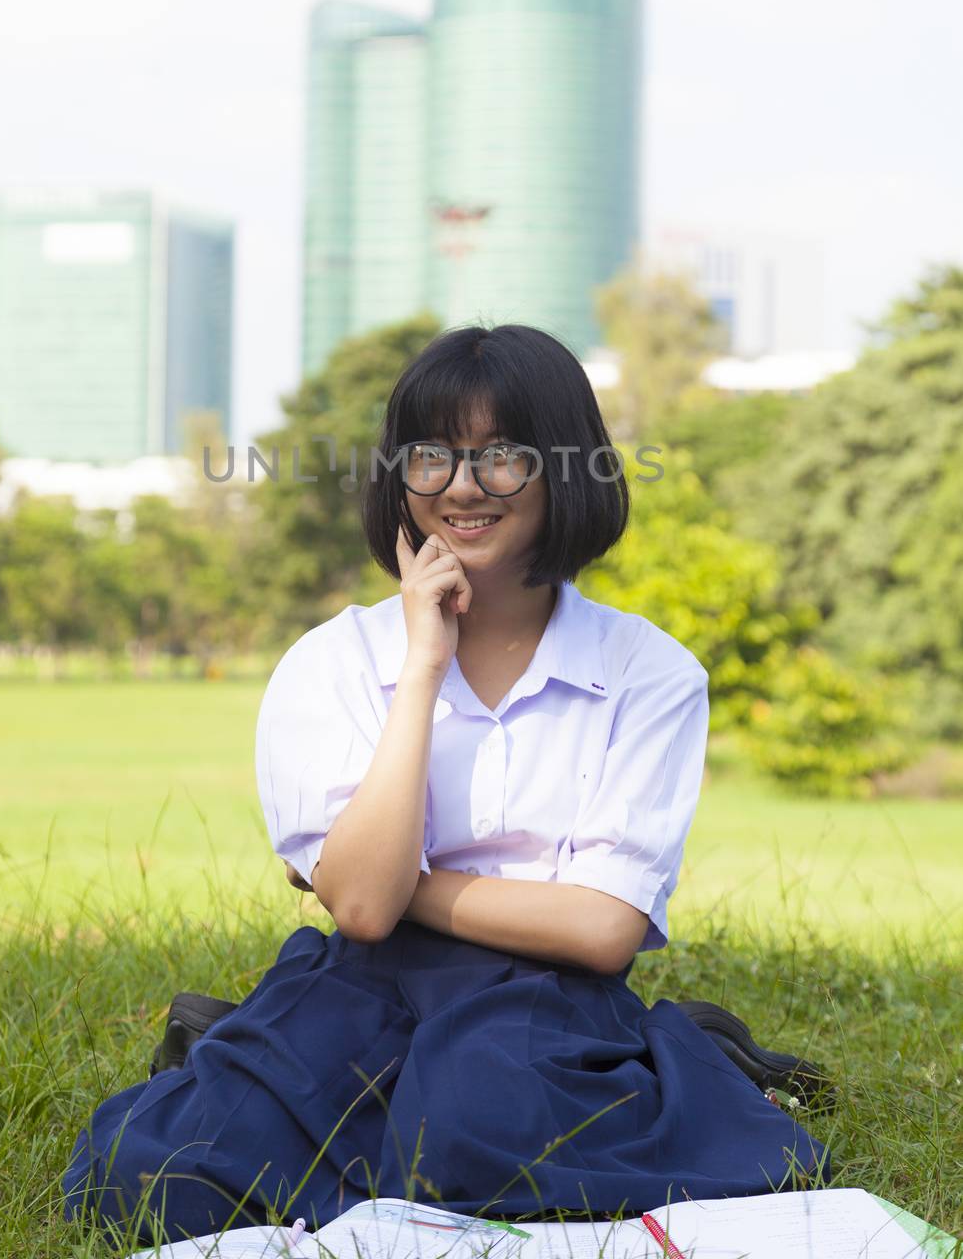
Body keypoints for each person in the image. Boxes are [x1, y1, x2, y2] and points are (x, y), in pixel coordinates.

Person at [63, 324, 832, 1247]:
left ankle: (676, 1055)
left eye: (502, 457)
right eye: (432, 457)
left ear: (563, 471)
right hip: (359, 983)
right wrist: (422, 665)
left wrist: (388, 884)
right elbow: (359, 923)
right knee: (152, 1177)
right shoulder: (334, 662)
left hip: (546, 996)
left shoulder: (647, 671)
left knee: (470, 1135)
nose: (462, 488)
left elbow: (598, 929)